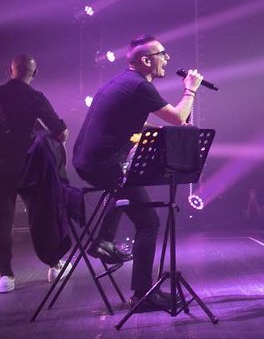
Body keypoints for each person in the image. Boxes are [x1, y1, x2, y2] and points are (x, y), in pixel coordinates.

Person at [72, 36, 203, 310]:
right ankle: (143, 294)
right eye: (162, 54)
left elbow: (131, 120)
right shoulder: (140, 86)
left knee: (125, 188)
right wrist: (190, 91)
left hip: (89, 160)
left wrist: (156, 131)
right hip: (103, 164)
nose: (167, 59)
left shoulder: (123, 83)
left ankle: (104, 240)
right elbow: (179, 118)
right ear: (146, 60)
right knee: (149, 223)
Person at [0, 54, 69, 292]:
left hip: (1, 165)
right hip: (29, 165)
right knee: (42, 215)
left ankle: (5, 276)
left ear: (10, 71)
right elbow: (61, 133)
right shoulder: (36, 97)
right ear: (35, 73)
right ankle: (54, 264)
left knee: (2, 220)